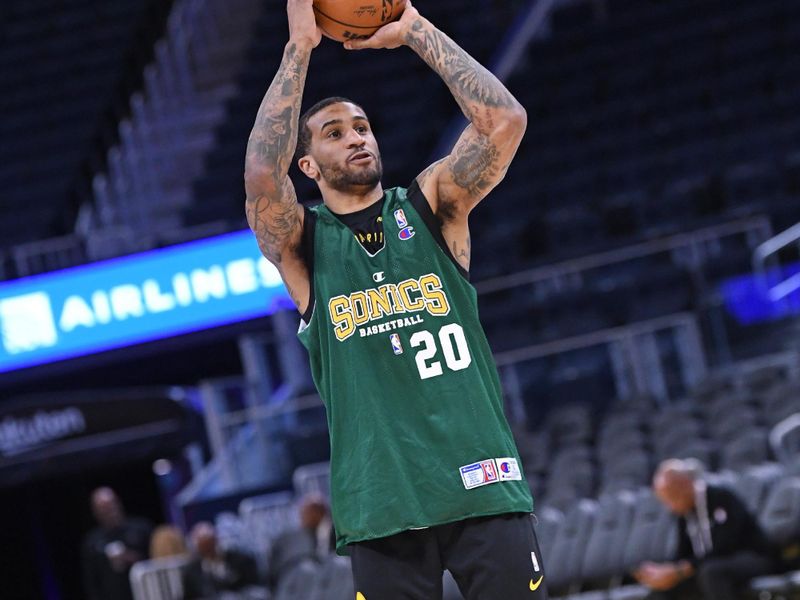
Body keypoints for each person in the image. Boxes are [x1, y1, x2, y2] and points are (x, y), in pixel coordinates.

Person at [243, 1, 546, 598]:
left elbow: (505, 121)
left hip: (482, 484)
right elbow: (259, 176)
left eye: (362, 127)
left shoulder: (433, 205)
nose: (356, 138)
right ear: (307, 165)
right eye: (335, 134)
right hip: (381, 507)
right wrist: (299, 47)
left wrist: (413, 29)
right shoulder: (302, 244)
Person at [633, 459, 779, 600]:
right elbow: (683, 553)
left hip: (753, 557)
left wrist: (680, 570)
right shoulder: (684, 513)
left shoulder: (721, 497)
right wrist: (665, 571)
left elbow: (725, 547)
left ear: (685, 485)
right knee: (663, 588)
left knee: (711, 573)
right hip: (708, 565)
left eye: (671, 498)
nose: (670, 507)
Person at [81, 487, 153, 600]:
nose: (109, 510)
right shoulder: (92, 542)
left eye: (111, 504)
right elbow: (92, 582)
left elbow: (155, 562)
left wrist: (129, 557)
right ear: (95, 512)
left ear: (118, 503)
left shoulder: (141, 529)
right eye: (103, 508)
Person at [265, 494, 334, 591]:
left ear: (317, 512)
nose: (302, 519)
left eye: (305, 514)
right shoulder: (308, 533)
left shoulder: (332, 530)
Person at [181, 521, 262, 599]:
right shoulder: (191, 572)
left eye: (209, 545)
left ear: (216, 540)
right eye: (203, 547)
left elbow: (255, 588)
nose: (208, 550)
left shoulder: (241, 560)